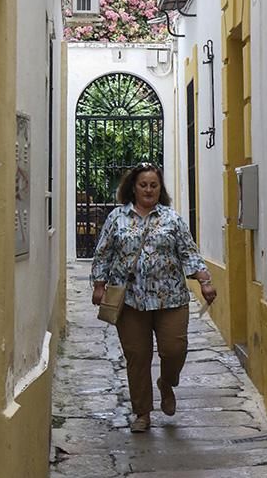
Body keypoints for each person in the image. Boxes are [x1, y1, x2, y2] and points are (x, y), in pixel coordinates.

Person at [91, 162, 217, 432]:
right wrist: (99, 286)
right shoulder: (117, 218)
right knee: (137, 356)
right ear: (133, 188)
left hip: (170, 298)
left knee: (174, 349)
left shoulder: (171, 218)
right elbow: (103, 253)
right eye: (143, 185)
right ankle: (142, 413)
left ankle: (167, 382)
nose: (148, 190)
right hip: (131, 300)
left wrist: (204, 280)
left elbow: (188, 251)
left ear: (160, 189)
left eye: (153, 185)